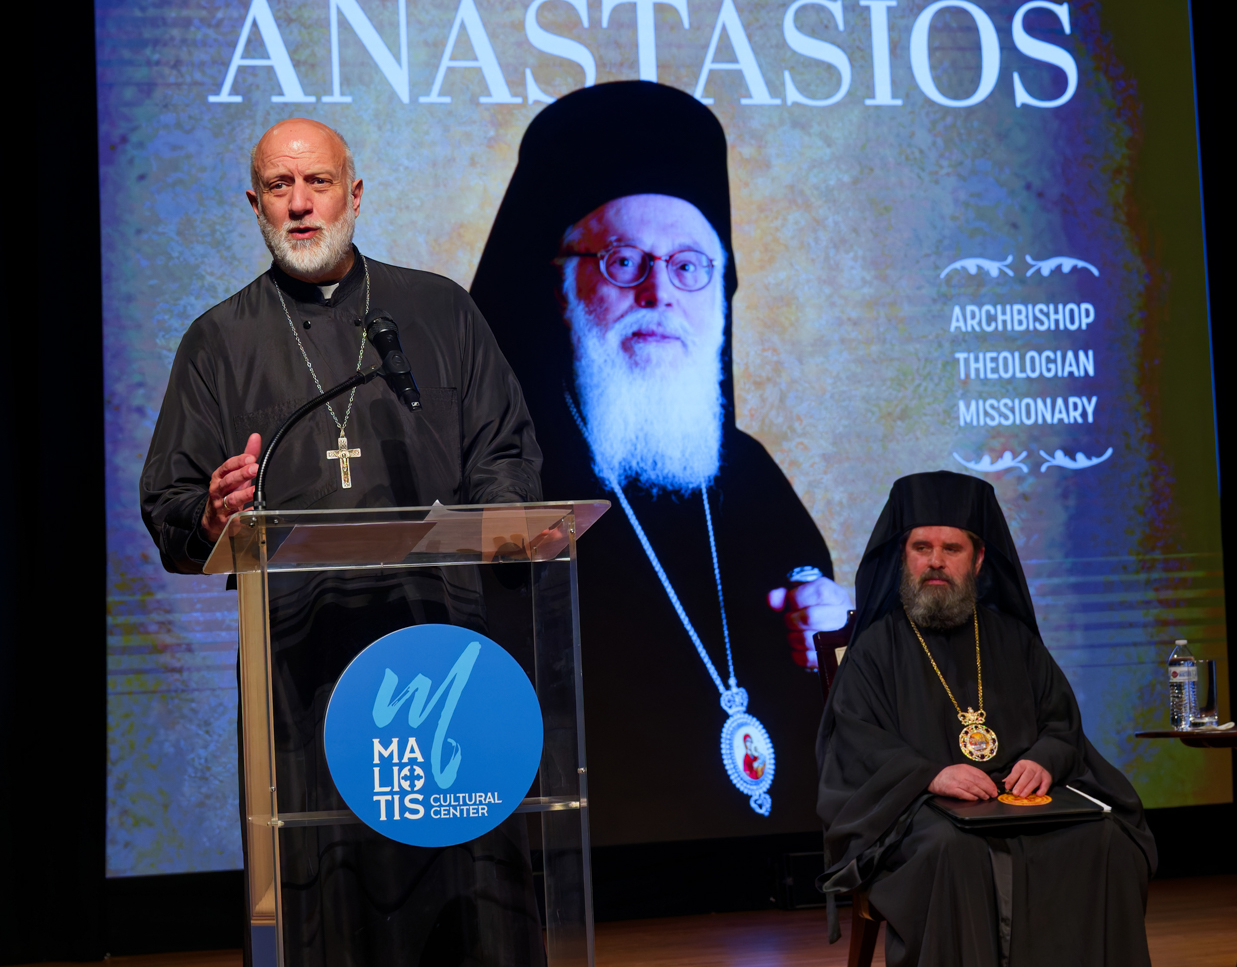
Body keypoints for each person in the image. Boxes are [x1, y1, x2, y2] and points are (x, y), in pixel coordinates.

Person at [139, 118, 544, 966]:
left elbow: (504, 449)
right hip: (303, 673)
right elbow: (170, 503)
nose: (299, 204)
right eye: (279, 187)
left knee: (466, 890)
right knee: (325, 899)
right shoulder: (219, 340)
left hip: (442, 656)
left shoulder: (438, 310)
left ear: (353, 195)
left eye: (317, 183)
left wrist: (499, 522)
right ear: (254, 204)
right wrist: (213, 514)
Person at [469, 81, 848, 839]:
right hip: (589, 863)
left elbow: (820, 669)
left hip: (774, 868)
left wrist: (831, 630)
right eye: (621, 262)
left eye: (689, 266)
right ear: (557, 284)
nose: (659, 293)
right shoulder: (499, 473)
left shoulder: (750, 477)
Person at [817, 471, 1156, 966]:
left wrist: (1043, 759)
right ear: (903, 557)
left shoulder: (1013, 639)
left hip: (1019, 802)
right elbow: (855, 744)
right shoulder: (874, 649)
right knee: (951, 848)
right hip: (918, 811)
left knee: (1106, 838)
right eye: (922, 547)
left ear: (977, 559)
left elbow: (1061, 724)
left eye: (951, 548)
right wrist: (930, 775)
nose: (935, 561)